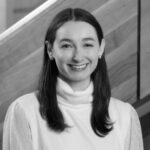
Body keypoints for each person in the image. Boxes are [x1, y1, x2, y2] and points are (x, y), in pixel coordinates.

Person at [3, 8, 143, 150]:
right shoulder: (24, 110)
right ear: (50, 50)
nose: (77, 56)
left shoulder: (125, 115)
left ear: (101, 48)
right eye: (66, 46)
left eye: (87, 44)